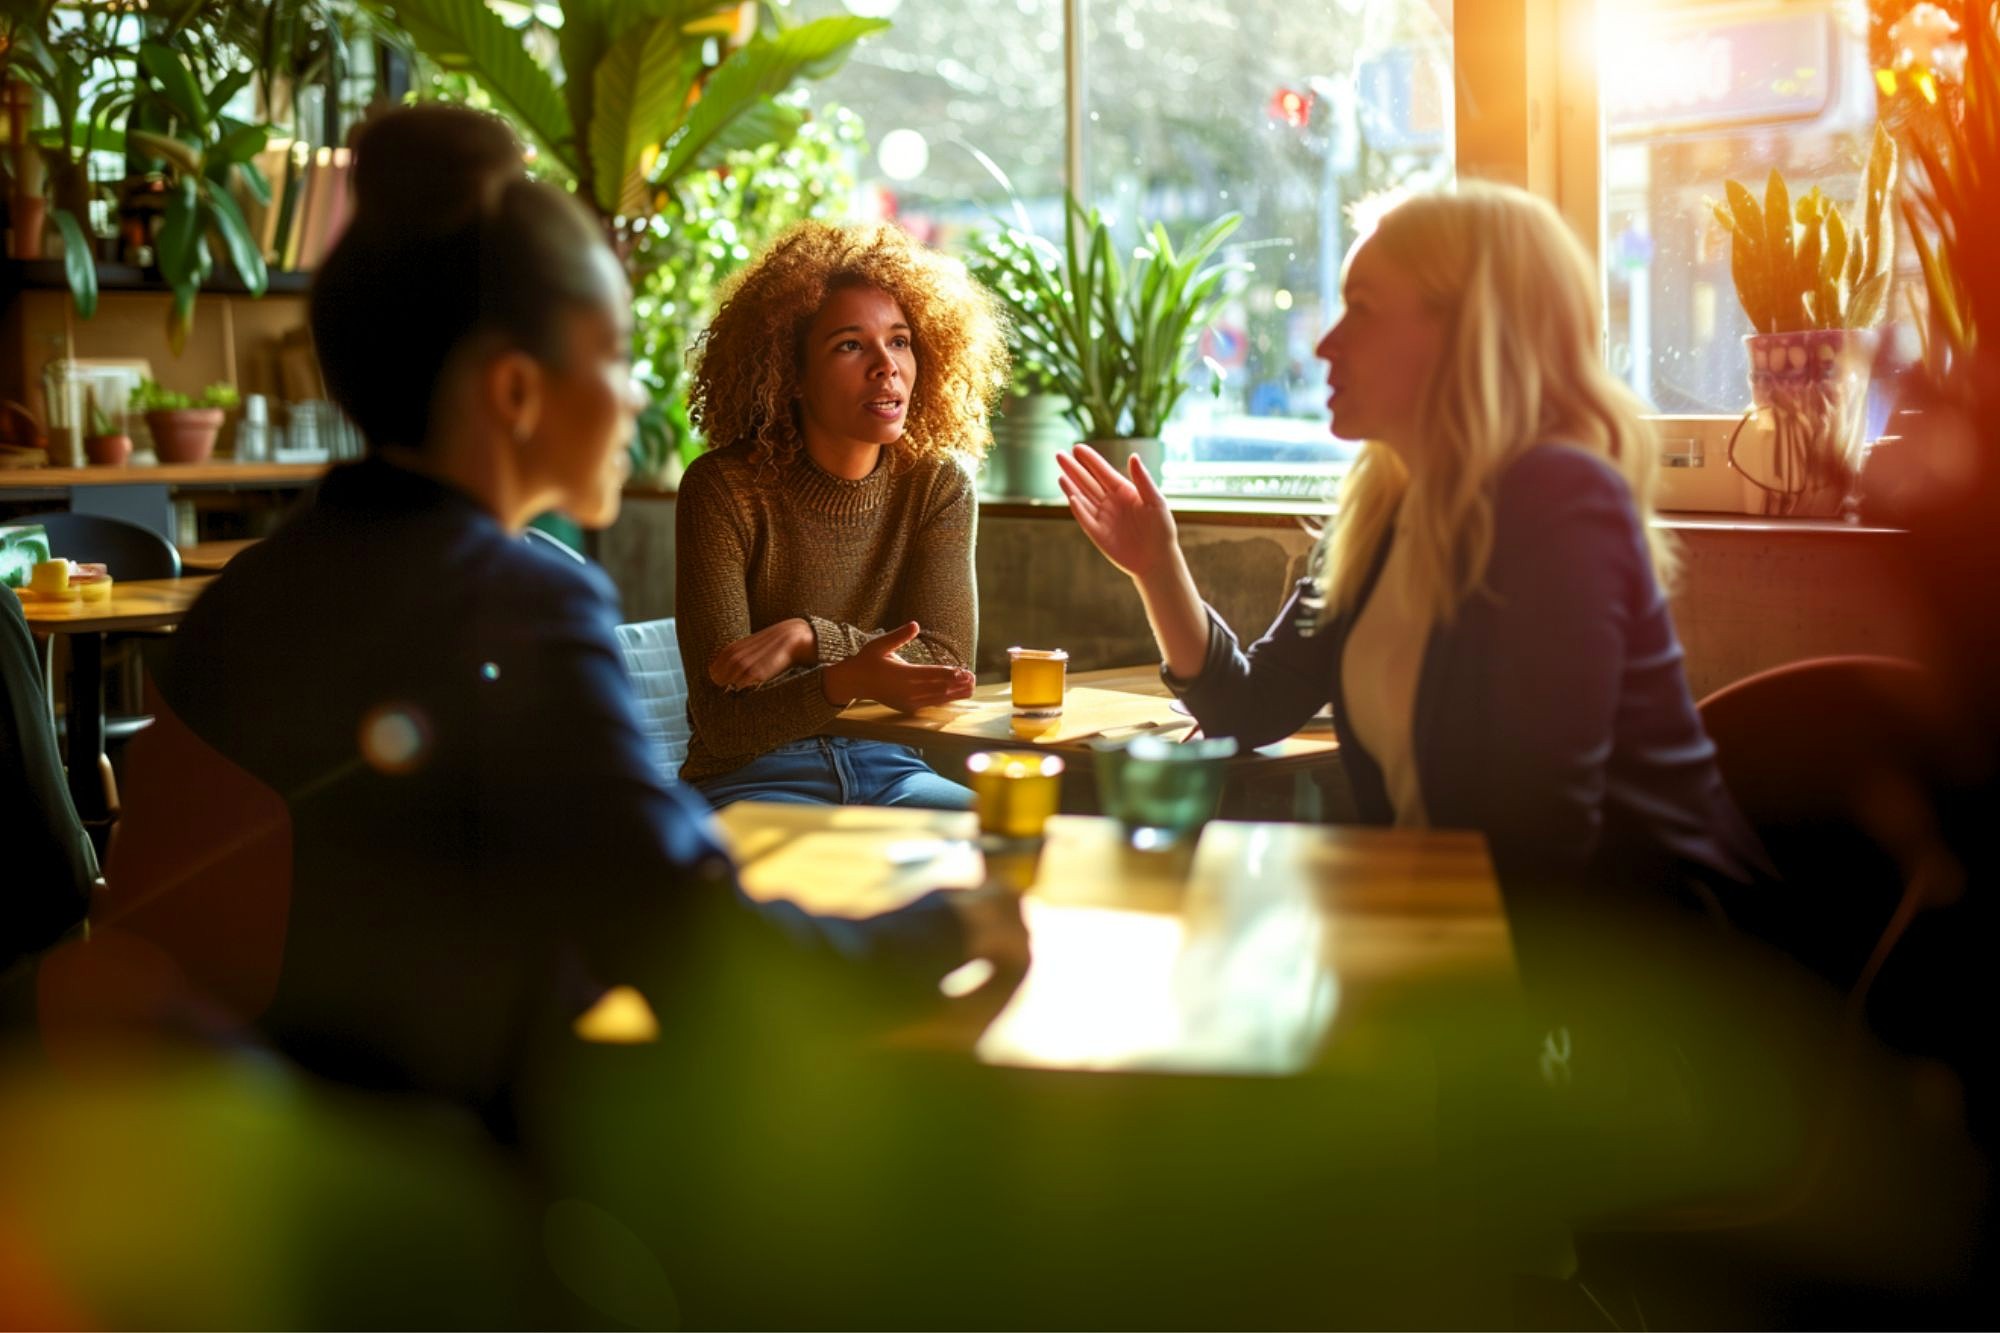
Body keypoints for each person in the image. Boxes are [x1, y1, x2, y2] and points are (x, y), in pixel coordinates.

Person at [65, 106, 1021, 1131]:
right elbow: (686, 944)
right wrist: (946, 924)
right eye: (612, 357)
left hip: (204, 1134)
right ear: (518, 392)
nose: (632, 397)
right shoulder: (513, 606)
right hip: (388, 1171)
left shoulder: (252, 590)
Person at [1057, 182, 1776, 933]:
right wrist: (1156, 563)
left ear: (1469, 328)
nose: (1326, 343)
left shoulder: (1560, 497)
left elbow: (1540, 842)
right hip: (1464, 934)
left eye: (1361, 308)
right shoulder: (1382, 514)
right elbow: (1249, 708)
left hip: (1644, 977)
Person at [675, 221, 1008, 809]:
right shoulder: (722, 490)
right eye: (850, 344)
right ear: (792, 375)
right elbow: (724, 723)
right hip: (753, 777)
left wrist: (807, 638)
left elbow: (948, 665)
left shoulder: (937, 484)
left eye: (900, 340)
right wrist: (849, 676)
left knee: (1012, 847)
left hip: (892, 766)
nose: (887, 366)